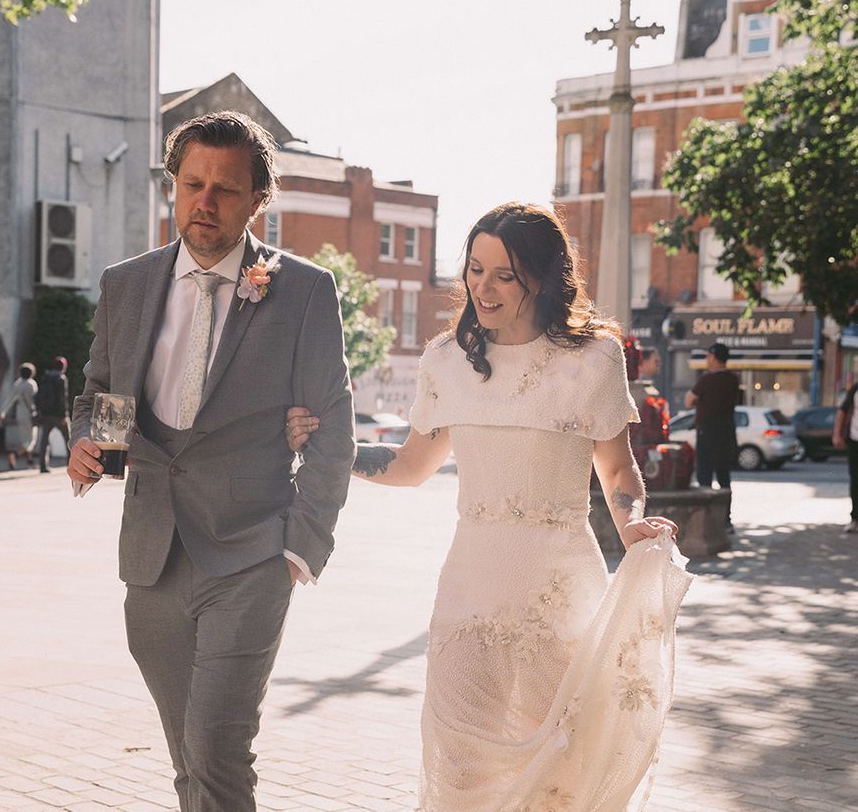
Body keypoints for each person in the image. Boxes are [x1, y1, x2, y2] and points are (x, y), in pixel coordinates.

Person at [287, 202, 689, 812]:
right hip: (469, 588)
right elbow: (409, 465)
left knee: (555, 764)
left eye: (504, 274)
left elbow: (615, 467)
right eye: (475, 270)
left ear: (542, 278)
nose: (483, 286)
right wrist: (331, 446)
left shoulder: (593, 360)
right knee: (459, 764)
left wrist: (632, 520)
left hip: (558, 590)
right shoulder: (447, 359)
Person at [67, 111, 354, 812]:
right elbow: (99, 396)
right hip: (153, 557)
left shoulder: (304, 290)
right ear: (173, 186)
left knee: (220, 754)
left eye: (225, 189)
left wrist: (302, 545)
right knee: (189, 763)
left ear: (258, 199)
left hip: (252, 555)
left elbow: (334, 426)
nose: (205, 201)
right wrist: (87, 444)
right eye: (192, 183)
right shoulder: (125, 284)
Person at [685, 341, 739, 528]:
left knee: (705, 476)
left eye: (708, 356)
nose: (707, 359)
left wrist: (700, 403)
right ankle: (726, 519)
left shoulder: (707, 379)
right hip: (726, 432)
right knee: (724, 477)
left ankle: (706, 519)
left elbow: (688, 400)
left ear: (714, 356)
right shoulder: (734, 379)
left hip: (707, 432)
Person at [0, 362, 38, 470]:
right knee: (31, 440)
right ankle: (14, 454)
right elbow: (36, 400)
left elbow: (9, 400)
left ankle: (30, 461)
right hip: (30, 415)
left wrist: (2, 412)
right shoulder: (32, 384)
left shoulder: (17, 384)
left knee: (25, 438)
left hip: (20, 415)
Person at [34, 356, 71, 473]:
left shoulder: (46, 377)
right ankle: (71, 464)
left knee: (45, 440)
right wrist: (65, 415)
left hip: (46, 414)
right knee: (69, 439)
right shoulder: (61, 378)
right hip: (58, 415)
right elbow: (62, 399)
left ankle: (43, 465)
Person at [832, 380, 858, 533]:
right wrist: (837, 434)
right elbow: (842, 411)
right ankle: (855, 518)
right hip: (855, 441)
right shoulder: (855, 389)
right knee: (856, 480)